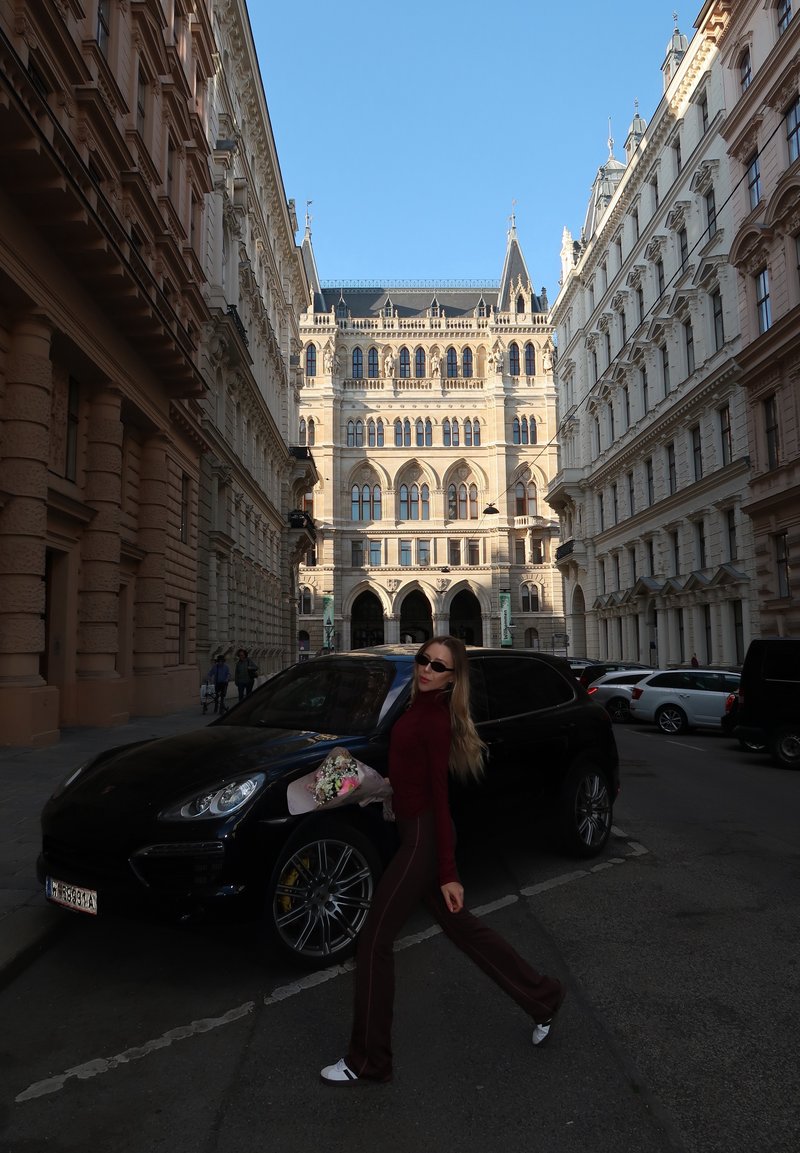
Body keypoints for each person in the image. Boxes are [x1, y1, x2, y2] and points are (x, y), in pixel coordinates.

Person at [320, 635, 565, 1085]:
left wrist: (448, 872)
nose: (427, 670)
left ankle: (368, 1060)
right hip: (413, 831)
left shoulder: (434, 720)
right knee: (463, 928)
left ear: (454, 678)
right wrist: (377, 788)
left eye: (439, 666)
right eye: (424, 660)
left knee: (373, 942)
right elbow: (412, 779)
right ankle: (543, 995)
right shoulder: (417, 708)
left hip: (423, 840)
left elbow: (440, 796)